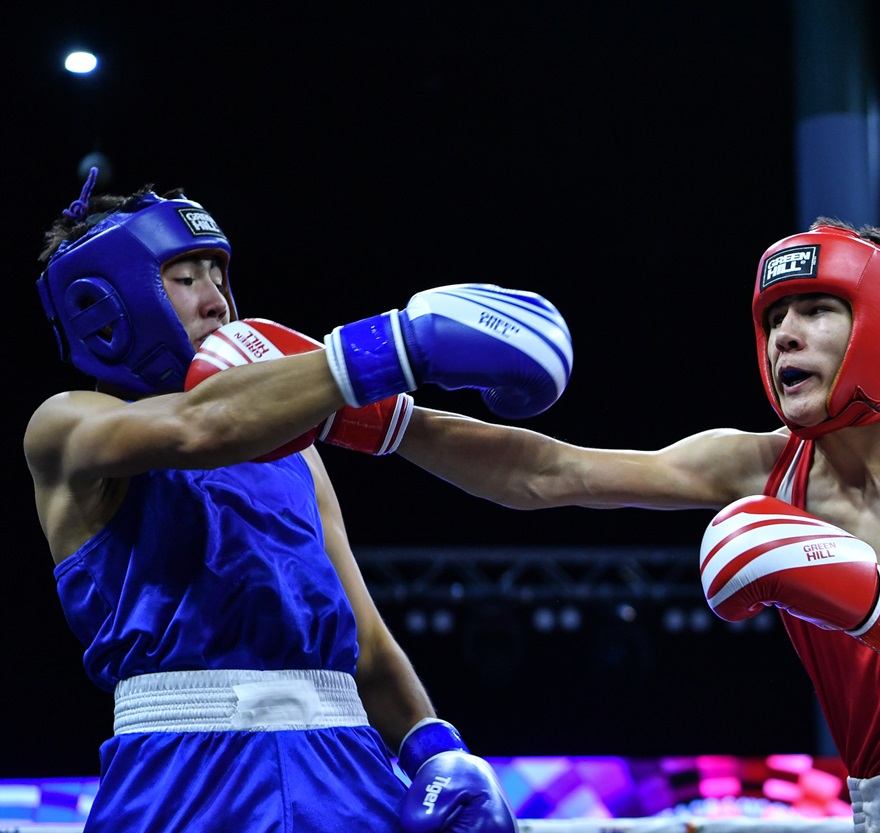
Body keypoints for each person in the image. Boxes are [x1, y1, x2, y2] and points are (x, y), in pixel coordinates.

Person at [367, 218, 880, 833]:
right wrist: (368, 412)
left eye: (816, 309)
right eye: (774, 317)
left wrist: (876, 603)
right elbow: (549, 473)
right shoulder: (759, 467)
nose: (785, 335)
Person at [25, 167, 573, 833]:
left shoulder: (298, 449)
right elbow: (199, 428)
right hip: (181, 774)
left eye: (219, 274)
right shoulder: (67, 426)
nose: (218, 301)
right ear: (106, 305)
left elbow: (366, 645)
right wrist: (402, 345)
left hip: (346, 766)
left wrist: (437, 750)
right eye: (186, 277)